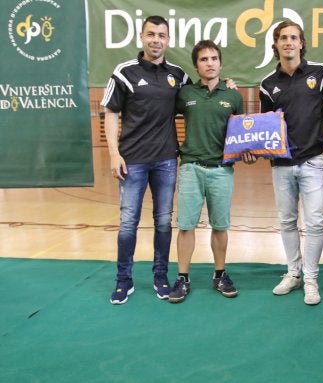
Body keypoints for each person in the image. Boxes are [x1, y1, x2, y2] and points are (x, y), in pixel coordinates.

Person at [102, 15, 190, 305]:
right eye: (151, 34)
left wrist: (225, 82)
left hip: (166, 160)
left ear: (168, 40)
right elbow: (111, 113)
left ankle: (160, 276)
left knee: (163, 222)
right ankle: (123, 280)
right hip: (132, 162)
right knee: (128, 223)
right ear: (142, 36)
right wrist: (114, 153)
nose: (156, 40)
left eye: (162, 35)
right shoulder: (125, 71)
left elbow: (199, 95)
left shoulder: (177, 75)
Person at [258, 21, 323, 305]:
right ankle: (293, 273)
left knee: (316, 222)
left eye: (294, 37)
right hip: (281, 165)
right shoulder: (267, 84)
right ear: (276, 44)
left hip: (312, 161)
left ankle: (311, 279)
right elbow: (265, 126)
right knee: (287, 221)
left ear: (301, 43)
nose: (289, 42)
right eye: (283, 38)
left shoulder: (320, 73)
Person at [168, 40, 244, 303]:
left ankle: (220, 274)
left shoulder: (233, 96)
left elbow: (242, 134)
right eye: (204, 59)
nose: (210, 63)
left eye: (214, 58)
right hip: (190, 167)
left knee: (220, 226)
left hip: (222, 170)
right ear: (196, 65)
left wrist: (248, 151)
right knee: (185, 226)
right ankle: (182, 277)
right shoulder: (186, 94)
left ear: (220, 63)